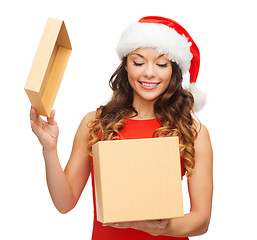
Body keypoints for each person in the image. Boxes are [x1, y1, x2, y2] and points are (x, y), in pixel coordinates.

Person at [30, 16, 213, 239]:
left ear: (174, 70)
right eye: (138, 62)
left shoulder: (192, 132)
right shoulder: (95, 123)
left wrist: (157, 228)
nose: (149, 73)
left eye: (162, 64)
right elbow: (64, 202)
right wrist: (49, 149)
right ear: (125, 65)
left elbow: (201, 220)